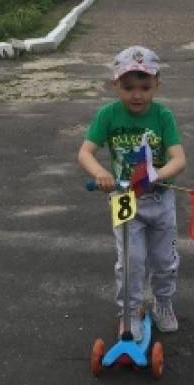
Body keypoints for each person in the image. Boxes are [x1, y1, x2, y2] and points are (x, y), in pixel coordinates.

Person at [78, 47, 187, 341]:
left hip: (160, 199)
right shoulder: (108, 115)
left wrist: (157, 175)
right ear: (115, 85)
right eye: (128, 88)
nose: (136, 95)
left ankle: (163, 303)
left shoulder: (163, 116)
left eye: (144, 87)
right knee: (130, 261)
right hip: (125, 199)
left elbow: (178, 159)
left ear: (157, 85)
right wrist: (100, 173)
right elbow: (86, 152)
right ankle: (129, 312)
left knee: (164, 260)